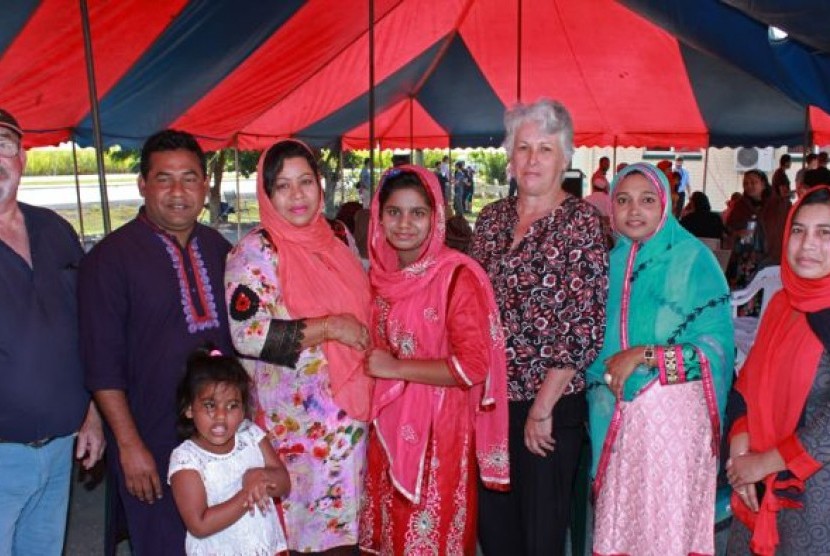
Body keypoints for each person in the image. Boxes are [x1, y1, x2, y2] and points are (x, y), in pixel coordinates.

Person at [80, 129, 233, 555]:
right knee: (165, 545)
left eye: (189, 178)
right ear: (143, 186)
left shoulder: (220, 249)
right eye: (164, 179)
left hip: (221, 439)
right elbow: (102, 365)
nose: (178, 191)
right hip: (153, 439)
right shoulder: (108, 260)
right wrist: (129, 447)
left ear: (205, 184)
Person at [471, 98, 609, 555]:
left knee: (540, 538)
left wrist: (542, 406)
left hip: (547, 408)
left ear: (565, 157)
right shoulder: (491, 219)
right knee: (496, 532)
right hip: (490, 404)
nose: (532, 160)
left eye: (544, 149)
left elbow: (582, 325)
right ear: (509, 156)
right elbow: (468, 305)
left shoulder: (581, 222)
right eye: (523, 147)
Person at [225, 139, 372, 555]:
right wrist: (330, 328)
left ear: (320, 185)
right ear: (267, 194)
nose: (297, 196)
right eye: (283, 186)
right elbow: (247, 334)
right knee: (299, 533)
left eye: (305, 182)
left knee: (348, 533)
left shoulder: (338, 236)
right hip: (295, 428)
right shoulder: (256, 250)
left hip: (351, 416)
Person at [358, 166, 509, 554]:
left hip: (439, 434)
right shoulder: (381, 276)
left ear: (435, 216)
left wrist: (395, 369)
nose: (404, 224)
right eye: (394, 212)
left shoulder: (457, 276)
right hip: (387, 426)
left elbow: (473, 367)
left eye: (417, 213)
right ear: (378, 216)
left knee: (429, 538)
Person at [586, 162, 734, 555]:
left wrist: (646, 356)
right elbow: (590, 346)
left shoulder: (693, 260)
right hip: (619, 417)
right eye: (624, 200)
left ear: (666, 204)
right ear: (611, 209)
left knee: (664, 529)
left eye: (647, 200)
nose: (635, 210)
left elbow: (715, 351)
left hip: (674, 421)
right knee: (622, 525)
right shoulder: (607, 265)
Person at [0, 108, 105, 555]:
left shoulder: (56, 230)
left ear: (21, 158)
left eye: (3, 146)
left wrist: (92, 413)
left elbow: (85, 329)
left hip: (61, 448)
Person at [726, 185, 830, 555]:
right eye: (798, 230)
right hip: (757, 482)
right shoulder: (783, 303)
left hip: (814, 495)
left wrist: (763, 463)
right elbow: (749, 382)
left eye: (825, 233)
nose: (807, 245)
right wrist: (740, 454)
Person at [169, 348, 290, 556]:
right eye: (210, 405)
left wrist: (259, 476)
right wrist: (248, 493)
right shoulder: (186, 459)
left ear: (243, 410)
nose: (221, 416)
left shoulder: (251, 436)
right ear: (189, 408)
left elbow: (283, 483)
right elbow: (200, 524)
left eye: (232, 406)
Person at [725, 170, 787, 292]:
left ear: (763, 184)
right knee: (744, 294)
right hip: (746, 259)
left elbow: (782, 229)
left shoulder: (778, 204)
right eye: (746, 183)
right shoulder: (740, 206)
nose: (749, 186)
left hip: (772, 257)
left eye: (753, 182)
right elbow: (728, 229)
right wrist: (737, 233)